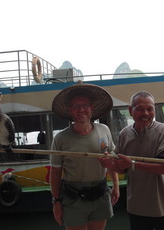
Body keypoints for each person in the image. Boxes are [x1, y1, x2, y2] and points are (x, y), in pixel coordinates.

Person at [100, 91, 164, 230]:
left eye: (150, 109)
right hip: (137, 207)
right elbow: (123, 169)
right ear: (131, 111)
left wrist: (132, 164)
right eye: (140, 109)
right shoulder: (124, 134)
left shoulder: (163, 130)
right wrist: (111, 165)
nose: (145, 114)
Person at [50, 82, 119, 230]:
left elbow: (112, 160)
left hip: (100, 194)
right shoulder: (61, 138)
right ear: (70, 110)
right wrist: (56, 202)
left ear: (91, 108)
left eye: (85, 105)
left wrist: (116, 186)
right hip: (73, 197)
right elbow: (55, 173)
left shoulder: (104, 130)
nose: (81, 109)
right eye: (76, 106)